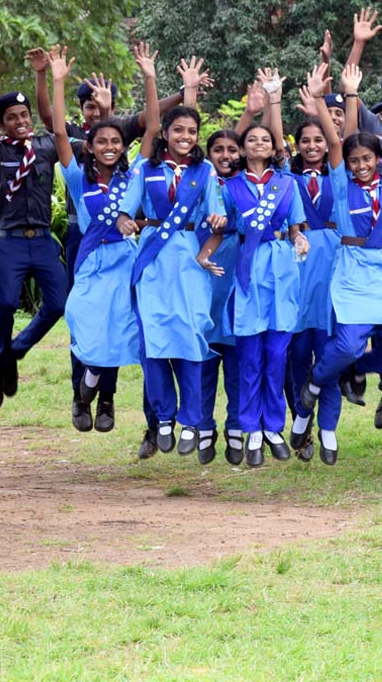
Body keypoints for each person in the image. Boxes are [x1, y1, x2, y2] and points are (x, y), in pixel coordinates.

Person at [299, 64, 382, 465]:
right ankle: (317, 381)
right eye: (354, 160)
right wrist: (322, 99)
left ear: (378, 158)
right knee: (348, 341)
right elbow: (336, 143)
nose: (361, 165)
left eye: (367, 158)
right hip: (351, 265)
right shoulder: (341, 184)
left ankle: (352, 369)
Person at [50, 47, 154, 433]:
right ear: (89, 147)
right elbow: (59, 132)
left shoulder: (133, 175)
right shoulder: (79, 178)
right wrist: (57, 81)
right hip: (92, 260)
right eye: (101, 142)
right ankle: (85, 385)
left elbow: (152, 129)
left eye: (115, 142)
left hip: (124, 260)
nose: (109, 146)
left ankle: (101, 395)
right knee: (86, 323)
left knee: (119, 326)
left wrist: (149, 77)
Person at [119, 104, 227, 456]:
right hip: (153, 262)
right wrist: (124, 221)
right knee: (154, 342)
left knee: (191, 340)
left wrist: (218, 218)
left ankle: (192, 420)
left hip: (190, 263)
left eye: (192, 131)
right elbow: (125, 210)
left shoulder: (205, 170)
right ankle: (164, 417)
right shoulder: (144, 168)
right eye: (178, 130)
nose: (185, 137)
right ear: (164, 133)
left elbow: (218, 213)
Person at [224, 68, 310, 467]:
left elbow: (295, 227)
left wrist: (300, 239)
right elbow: (222, 225)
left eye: (265, 139)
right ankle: (250, 429)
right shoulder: (230, 187)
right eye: (251, 140)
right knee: (250, 357)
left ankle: (274, 426)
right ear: (242, 150)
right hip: (248, 266)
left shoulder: (287, 184)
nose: (259, 143)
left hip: (281, 268)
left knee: (277, 354)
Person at [0, 79, 67, 407]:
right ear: (1, 124)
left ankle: (9, 354)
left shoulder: (46, 146)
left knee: (57, 304)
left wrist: (45, 76)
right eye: (12, 117)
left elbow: (59, 127)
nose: (20, 121)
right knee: (5, 304)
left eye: (24, 115)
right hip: (11, 241)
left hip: (42, 239)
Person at [286, 94, 341, 462]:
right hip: (299, 265)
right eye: (305, 140)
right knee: (297, 354)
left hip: (333, 264)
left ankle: (329, 428)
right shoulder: (286, 180)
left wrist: (324, 101)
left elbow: (340, 142)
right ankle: (300, 420)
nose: (311, 146)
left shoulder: (340, 176)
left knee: (330, 353)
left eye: (318, 140)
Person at [197, 124, 243, 465]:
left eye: (232, 149)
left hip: (238, 272)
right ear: (208, 154)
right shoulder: (199, 182)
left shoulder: (247, 186)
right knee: (204, 359)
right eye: (218, 150)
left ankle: (236, 429)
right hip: (204, 273)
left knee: (238, 362)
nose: (225, 156)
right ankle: (203, 427)